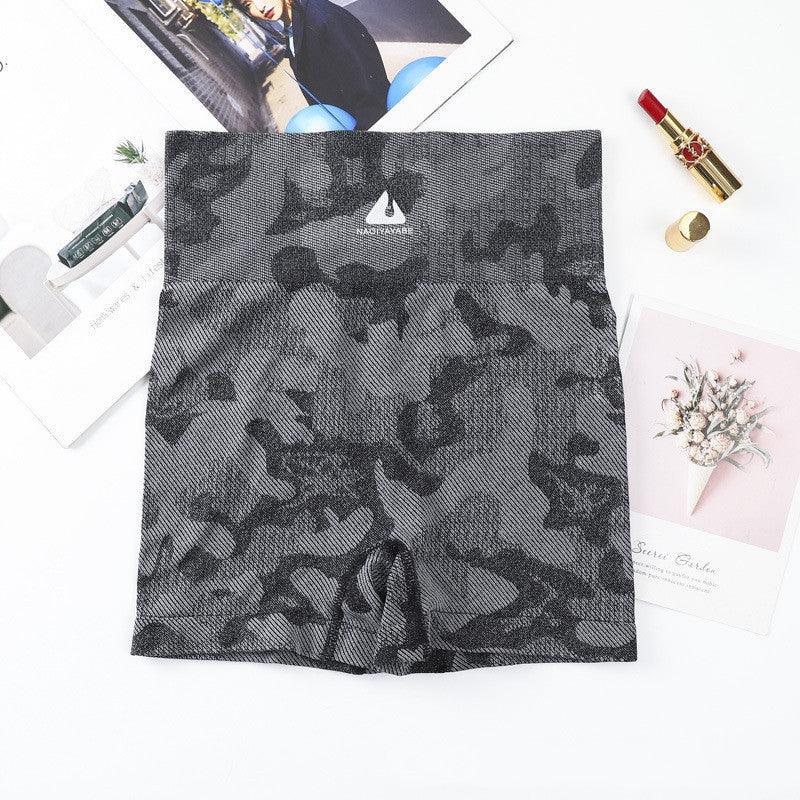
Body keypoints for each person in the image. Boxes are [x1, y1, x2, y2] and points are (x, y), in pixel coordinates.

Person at [234, 0, 390, 129]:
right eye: (248, 4)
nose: (260, 6)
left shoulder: (321, 18)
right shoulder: (292, 29)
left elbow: (368, 85)